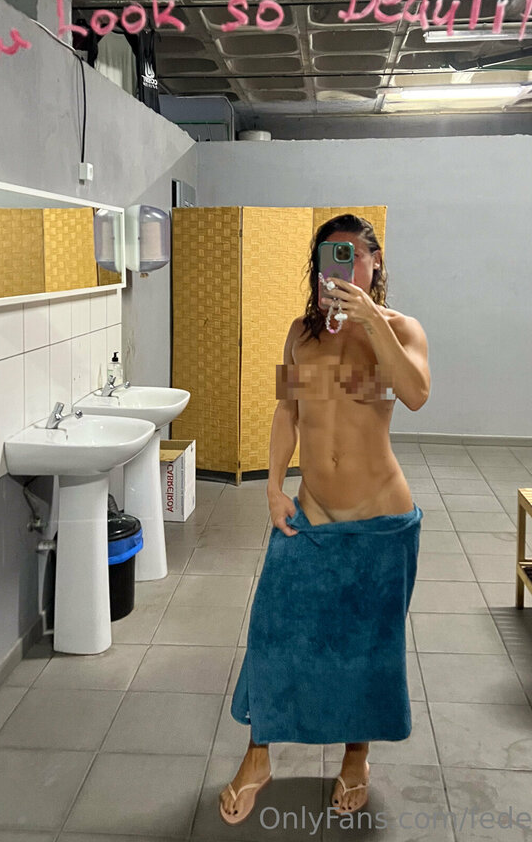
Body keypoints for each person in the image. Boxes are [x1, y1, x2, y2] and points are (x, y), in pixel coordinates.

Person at [219, 214, 431, 824]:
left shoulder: (401, 328)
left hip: (379, 520)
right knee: (273, 633)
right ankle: (258, 754)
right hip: (309, 513)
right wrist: (272, 486)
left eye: (349, 255)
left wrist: (370, 319)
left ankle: (356, 757)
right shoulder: (299, 333)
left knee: (365, 648)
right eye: (324, 258)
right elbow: (287, 411)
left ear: (374, 262)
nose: (334, 268)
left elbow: (416, 393)